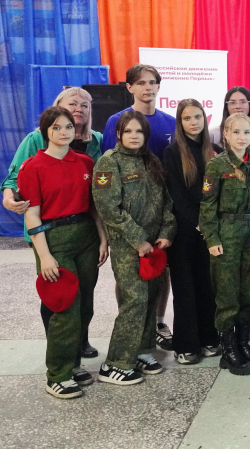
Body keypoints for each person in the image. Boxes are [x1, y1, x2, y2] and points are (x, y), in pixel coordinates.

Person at [3, 87, 104, 358]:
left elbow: (95, 192)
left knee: (85, 292)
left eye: (85, 105)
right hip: (46, 227)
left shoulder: (94, 142)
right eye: (73, 103)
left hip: (83, 229)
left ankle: (80, 341)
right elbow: (14, 179)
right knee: (58, 293)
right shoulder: (35, 140)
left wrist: (103, 235)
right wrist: (9, 198)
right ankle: (60, 349)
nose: (79, 108)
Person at [19, 106, 109, 399]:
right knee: (64, 307)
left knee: (85, 305)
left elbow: (93, 207)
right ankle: (57, 373)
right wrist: (44, 255)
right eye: (56, 127)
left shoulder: (84, 162)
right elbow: (32, 214)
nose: (64, 132)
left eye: (68, 126)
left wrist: (102, 238)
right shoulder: (33, 167)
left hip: (85, 235)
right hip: (53, 238)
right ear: (45, 132)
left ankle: (73, 364)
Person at [93, 111, 176, 385]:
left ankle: (140, 351)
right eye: (128, 131)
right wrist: (138, 239)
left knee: (151, 298)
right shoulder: (109, 163)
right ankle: (115, 363)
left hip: (153, 246)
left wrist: (165, 233)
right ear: (118, 134)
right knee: (134, 301)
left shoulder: (151, 161)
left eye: (138, 132)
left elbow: (166, 202)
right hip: (128, 246)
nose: (133, 136)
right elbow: (109, 208)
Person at [101, 63, 176, 350]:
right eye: (141, 82)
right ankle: (130, 323)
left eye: (153, 82)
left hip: (160, 214)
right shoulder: (116, 121)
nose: (148, 87)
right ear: (130, 87)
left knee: (160, 269)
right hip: (127, 218)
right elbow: (109, 168)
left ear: (158, 86)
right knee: (130, 275)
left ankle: (157, 322)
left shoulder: (170, 122)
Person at [200, 113, 250, 375]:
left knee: (249, 292)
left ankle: (243, 343)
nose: (242, 137)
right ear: (226, 135)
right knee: (228, 294)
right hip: (227, 235)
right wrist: (212, 238)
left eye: (247, 133)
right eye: (236, 132)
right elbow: (207, 205)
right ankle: (228, 349)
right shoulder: (217, 165)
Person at [162, 100, 222, 365]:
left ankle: (210, 338)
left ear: (204, 118)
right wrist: (199, 223)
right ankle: (186, 344)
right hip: (185, 232)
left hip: (212, 232)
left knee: (208, 287)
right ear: (180, 122)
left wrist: (211, 226)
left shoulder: (216, 151)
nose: (193, 122)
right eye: (187, 118)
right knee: (185, 288)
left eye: (197, 116)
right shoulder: (173, 152)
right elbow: (176, 194)